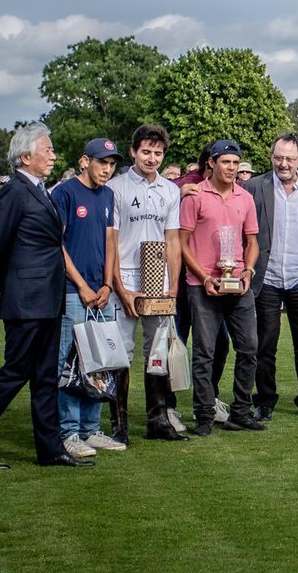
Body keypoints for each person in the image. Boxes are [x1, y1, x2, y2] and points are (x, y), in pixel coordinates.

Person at [0, 122, 92, 470]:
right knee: (15, 372)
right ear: (27, 155)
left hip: (45, 298)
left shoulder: (37, 189)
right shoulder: (16, 191)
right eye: (47, 150)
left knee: (45, 376)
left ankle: (49, 450)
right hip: (27, 299)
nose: (53, 155)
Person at [242, 134, 298, 422]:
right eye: (278, 157)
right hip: (266, 278)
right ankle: (265, 400)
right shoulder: (254, 186)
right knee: (265, 344)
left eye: (289, 159)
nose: (283, 163)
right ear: (271, 157)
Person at [107, 124, 188, 443]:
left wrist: (173, 284)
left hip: (158, 280)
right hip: (125, 277)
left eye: (157, 153)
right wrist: (118, 285)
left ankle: (158, 420)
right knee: (119, 352)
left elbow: (172, 240)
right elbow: (110, 241)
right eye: (146, 152)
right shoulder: (116, 188)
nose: (152, 158)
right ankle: (119, 424)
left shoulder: (170, 190)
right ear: (133, 152)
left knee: (157, 352)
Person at [179, 139, 264, 435]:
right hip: (202, 286)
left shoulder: (245, 197)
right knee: (205, 351)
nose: (231, 167)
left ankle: (240, 411)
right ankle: (203, 414)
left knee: (250, 348)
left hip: (238, 284)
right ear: (211, 163)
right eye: (225, 162)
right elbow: (183, 242)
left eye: (235, 162)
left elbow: (252, 241)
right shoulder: (195, 195)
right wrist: (203, 277)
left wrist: (249, 270)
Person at [49, 139, 125, 458]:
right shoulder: (65, 192)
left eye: (112, 163)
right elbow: (58, 244)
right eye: (101, 162)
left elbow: (110, 241)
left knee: (99, 363)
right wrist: (81, 285)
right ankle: (68, 432)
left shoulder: (108, 195)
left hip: (101, 293)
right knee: (68, 363)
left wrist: (107, 285)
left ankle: (91, 430)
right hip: (71, 292)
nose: (107, 169)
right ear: (85, 161)